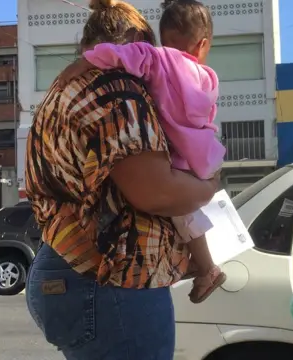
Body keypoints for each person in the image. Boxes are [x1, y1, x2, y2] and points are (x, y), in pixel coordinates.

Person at [24, 0, 219, 358]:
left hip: (68, 263)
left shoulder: (62, 90)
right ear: (129, 41)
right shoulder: (116, 90)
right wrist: (209, 186)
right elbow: (157, 193)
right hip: (112, 279)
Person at [58, 0, 225, 304]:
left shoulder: (156, 59)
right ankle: (204, 266)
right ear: (202, 44)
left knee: (182, 211)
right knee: (186, 210)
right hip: (201, 156)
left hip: (175, 155)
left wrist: (86, 62)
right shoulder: (208, 78)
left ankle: (206, 267)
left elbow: (120, 56)